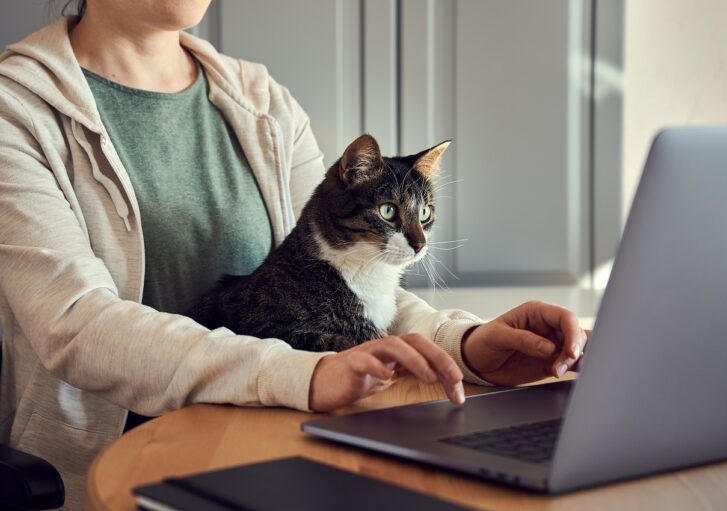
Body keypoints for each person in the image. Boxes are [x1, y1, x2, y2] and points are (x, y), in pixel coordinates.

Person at [0, 1, 587, 509]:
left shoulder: (260, 100)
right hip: (115, 468)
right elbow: (76, 323)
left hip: (283, 439)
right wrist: (303, 373)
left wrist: (464, 345)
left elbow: (349, 279)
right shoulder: (17, 109)